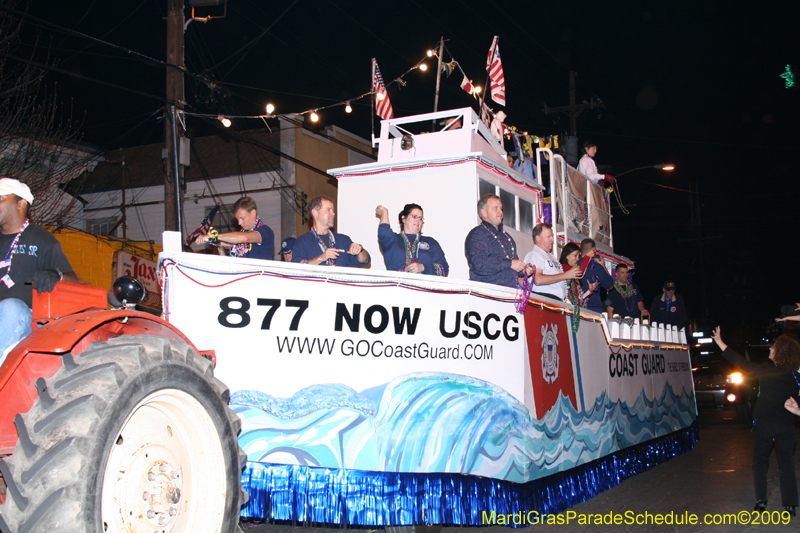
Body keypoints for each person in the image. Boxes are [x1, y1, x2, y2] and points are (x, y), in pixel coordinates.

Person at [712, 327, 800, 515]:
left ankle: (761, 501)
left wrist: (720, 343)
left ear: (780, 352)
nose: (769, 349)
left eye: (773, 347)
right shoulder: (795, 376)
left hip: (764, 424)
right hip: (785, 425)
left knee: (760, 462)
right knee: (786, 464)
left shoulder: (767, 370)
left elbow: (741, 363)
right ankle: (790, 504)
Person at [0, 178, 78, 360]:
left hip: (30, 320)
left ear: (20, 204)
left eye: (1, 198)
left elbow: (73, 279)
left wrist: (55, 274)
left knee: (12, 307)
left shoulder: (42, 239)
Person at [464, 194, 530, 288]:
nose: (500, 211)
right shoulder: (477, 235)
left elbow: (512, 267)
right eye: (495, 208)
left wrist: (523, 270)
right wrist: (510, 263)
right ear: (484, 213)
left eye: (501, 208)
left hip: (509, 292)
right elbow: (479, 264)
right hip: (487, 293)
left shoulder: (507, 237)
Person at [292, 195, 370, 267]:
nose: (333, 213)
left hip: (338, 282)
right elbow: (297, 267)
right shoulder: (303, 241)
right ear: (315, 213)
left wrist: (360, 250)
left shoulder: (343, 240)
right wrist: (321, 258)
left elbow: (364, 260)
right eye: (328, 210)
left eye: (333, 210)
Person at [376, 203, 448, 276]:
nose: (418, 220)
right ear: (403, 218)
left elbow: (443, 269)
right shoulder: (393, 240)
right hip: (398, 286)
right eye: (414, 216)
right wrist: (385, 212)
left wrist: (423, 267)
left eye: (420, 218)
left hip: (423, 286)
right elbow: (384, 232)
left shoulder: (431, 242)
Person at [195, 197, 275, 260]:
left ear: (253, 213)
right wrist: (221, 249)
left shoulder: (265, 231)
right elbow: (230, 266)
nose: (239, 223)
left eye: (242, 218)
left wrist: (214, 236)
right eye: (237, 219)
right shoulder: (240, 236)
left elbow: (245, 237)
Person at [523, 223, 582, 300]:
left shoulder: (551, 256)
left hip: (556, 300)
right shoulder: (535, 254)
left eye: (552, 236)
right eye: (549, 237)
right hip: (544, 298)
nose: (552, 239)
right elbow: (538, 280)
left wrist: (570, 276)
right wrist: (566, 275)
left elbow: (559, 281)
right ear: (538, 239)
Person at [580, 238, 614, 313]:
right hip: (593, 308)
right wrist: (603, 266)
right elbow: (610, 285)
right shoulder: (595, 267)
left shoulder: (574, 264)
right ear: (593, 250)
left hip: (577, 307)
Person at [559, 242, 598, 307]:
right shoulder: (564, 267)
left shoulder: (570, 269)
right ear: (567, 256)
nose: (577, 259)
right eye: (575, 255)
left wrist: (589, 290)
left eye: (578, 256)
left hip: (575, 309)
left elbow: (579, 298)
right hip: (569, 308)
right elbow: (580, 273)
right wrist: (587, 257)